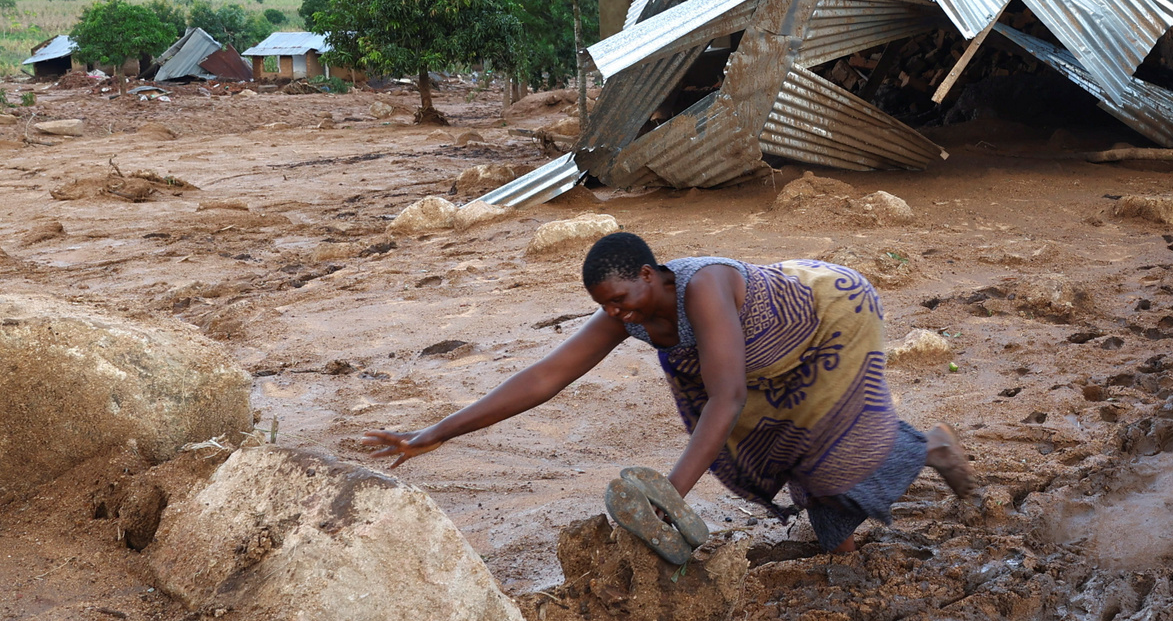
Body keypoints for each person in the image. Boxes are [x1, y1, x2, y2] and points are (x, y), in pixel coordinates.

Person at [362, 233, 974, 556]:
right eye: (604, 305)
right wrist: (434, 432)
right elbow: (545, 378)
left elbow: (726, 399)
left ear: (650, 276)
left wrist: (666, 500)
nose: (616, 313)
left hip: (829, 315)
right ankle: (856, 504)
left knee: (839, 447)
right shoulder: (624, 313)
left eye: (621, 297)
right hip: (759, 356)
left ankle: (932, 448)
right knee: (817, 499)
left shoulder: (702, 289)